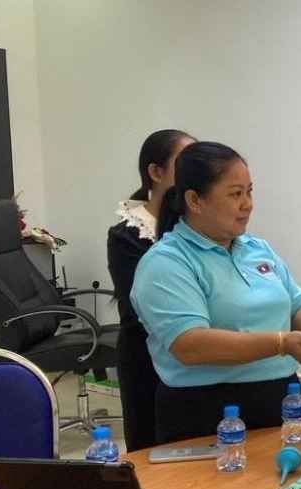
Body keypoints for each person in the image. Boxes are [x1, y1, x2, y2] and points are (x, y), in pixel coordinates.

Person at [131, 141, 301, 444]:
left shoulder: (257, 249)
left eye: (249, 192)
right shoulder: (166, 262)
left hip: (279, 399)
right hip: (204, 409)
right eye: (235, 194)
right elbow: (190, 344)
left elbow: (296, 309)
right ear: (195, 200)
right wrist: (279, 343)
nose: (248, 204)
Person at [107, 129, 194, 451]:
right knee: (150, 451)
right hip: (145, 358)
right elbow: (138, 309)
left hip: (196, 360)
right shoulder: (127, 236)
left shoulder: (201, 230)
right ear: (156, 173)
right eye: (184, 164)